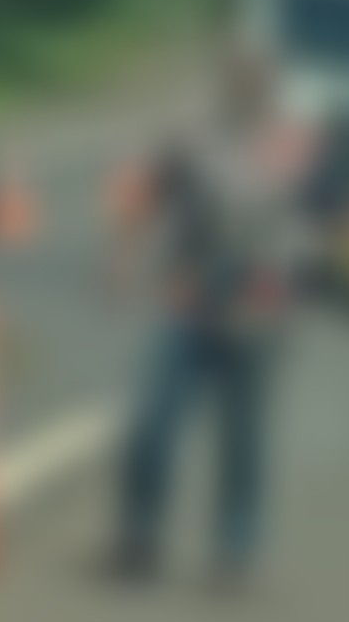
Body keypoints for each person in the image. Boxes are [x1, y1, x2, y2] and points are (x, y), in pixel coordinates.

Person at [106, 44, 303, 588]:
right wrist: (124, 258)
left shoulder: (287, 142)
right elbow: (146, 193)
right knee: (153, 426)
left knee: (242, 438)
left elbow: (311, 220)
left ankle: (235, 552)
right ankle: (139, 540)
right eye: (239, 77)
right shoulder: (194, 138)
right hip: (192, 298)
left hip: (258, 303)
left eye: (257, 79)